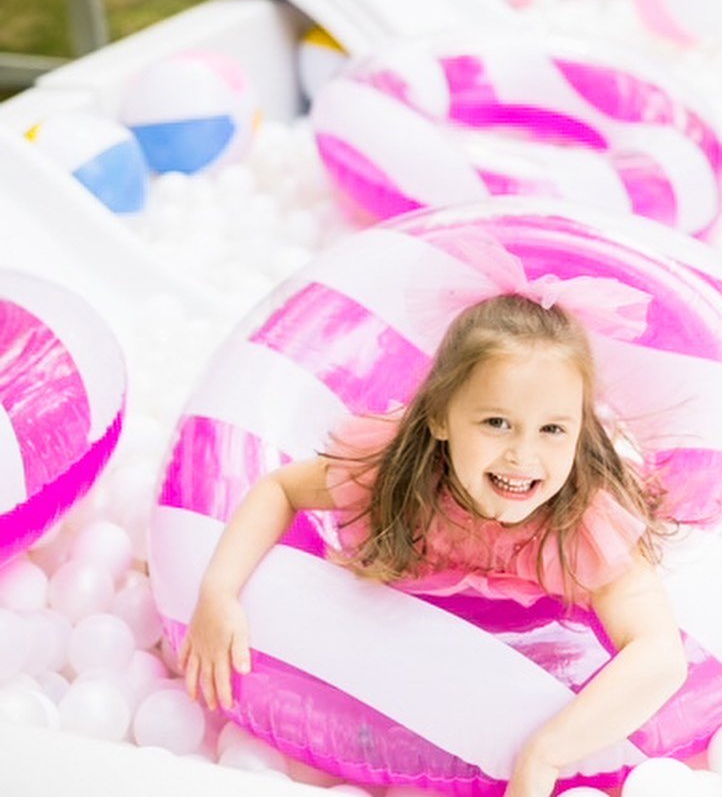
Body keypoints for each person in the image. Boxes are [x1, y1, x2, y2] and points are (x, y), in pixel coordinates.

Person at [179, 264, 687, 797]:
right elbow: (280, 489)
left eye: (553, 430)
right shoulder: (395, 474)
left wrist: (544, 754)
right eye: (496, 423)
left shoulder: (583, 520)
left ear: (579, 431)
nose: (523, 455)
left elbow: (659, 653)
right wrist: (219, 590)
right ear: (441, 419)